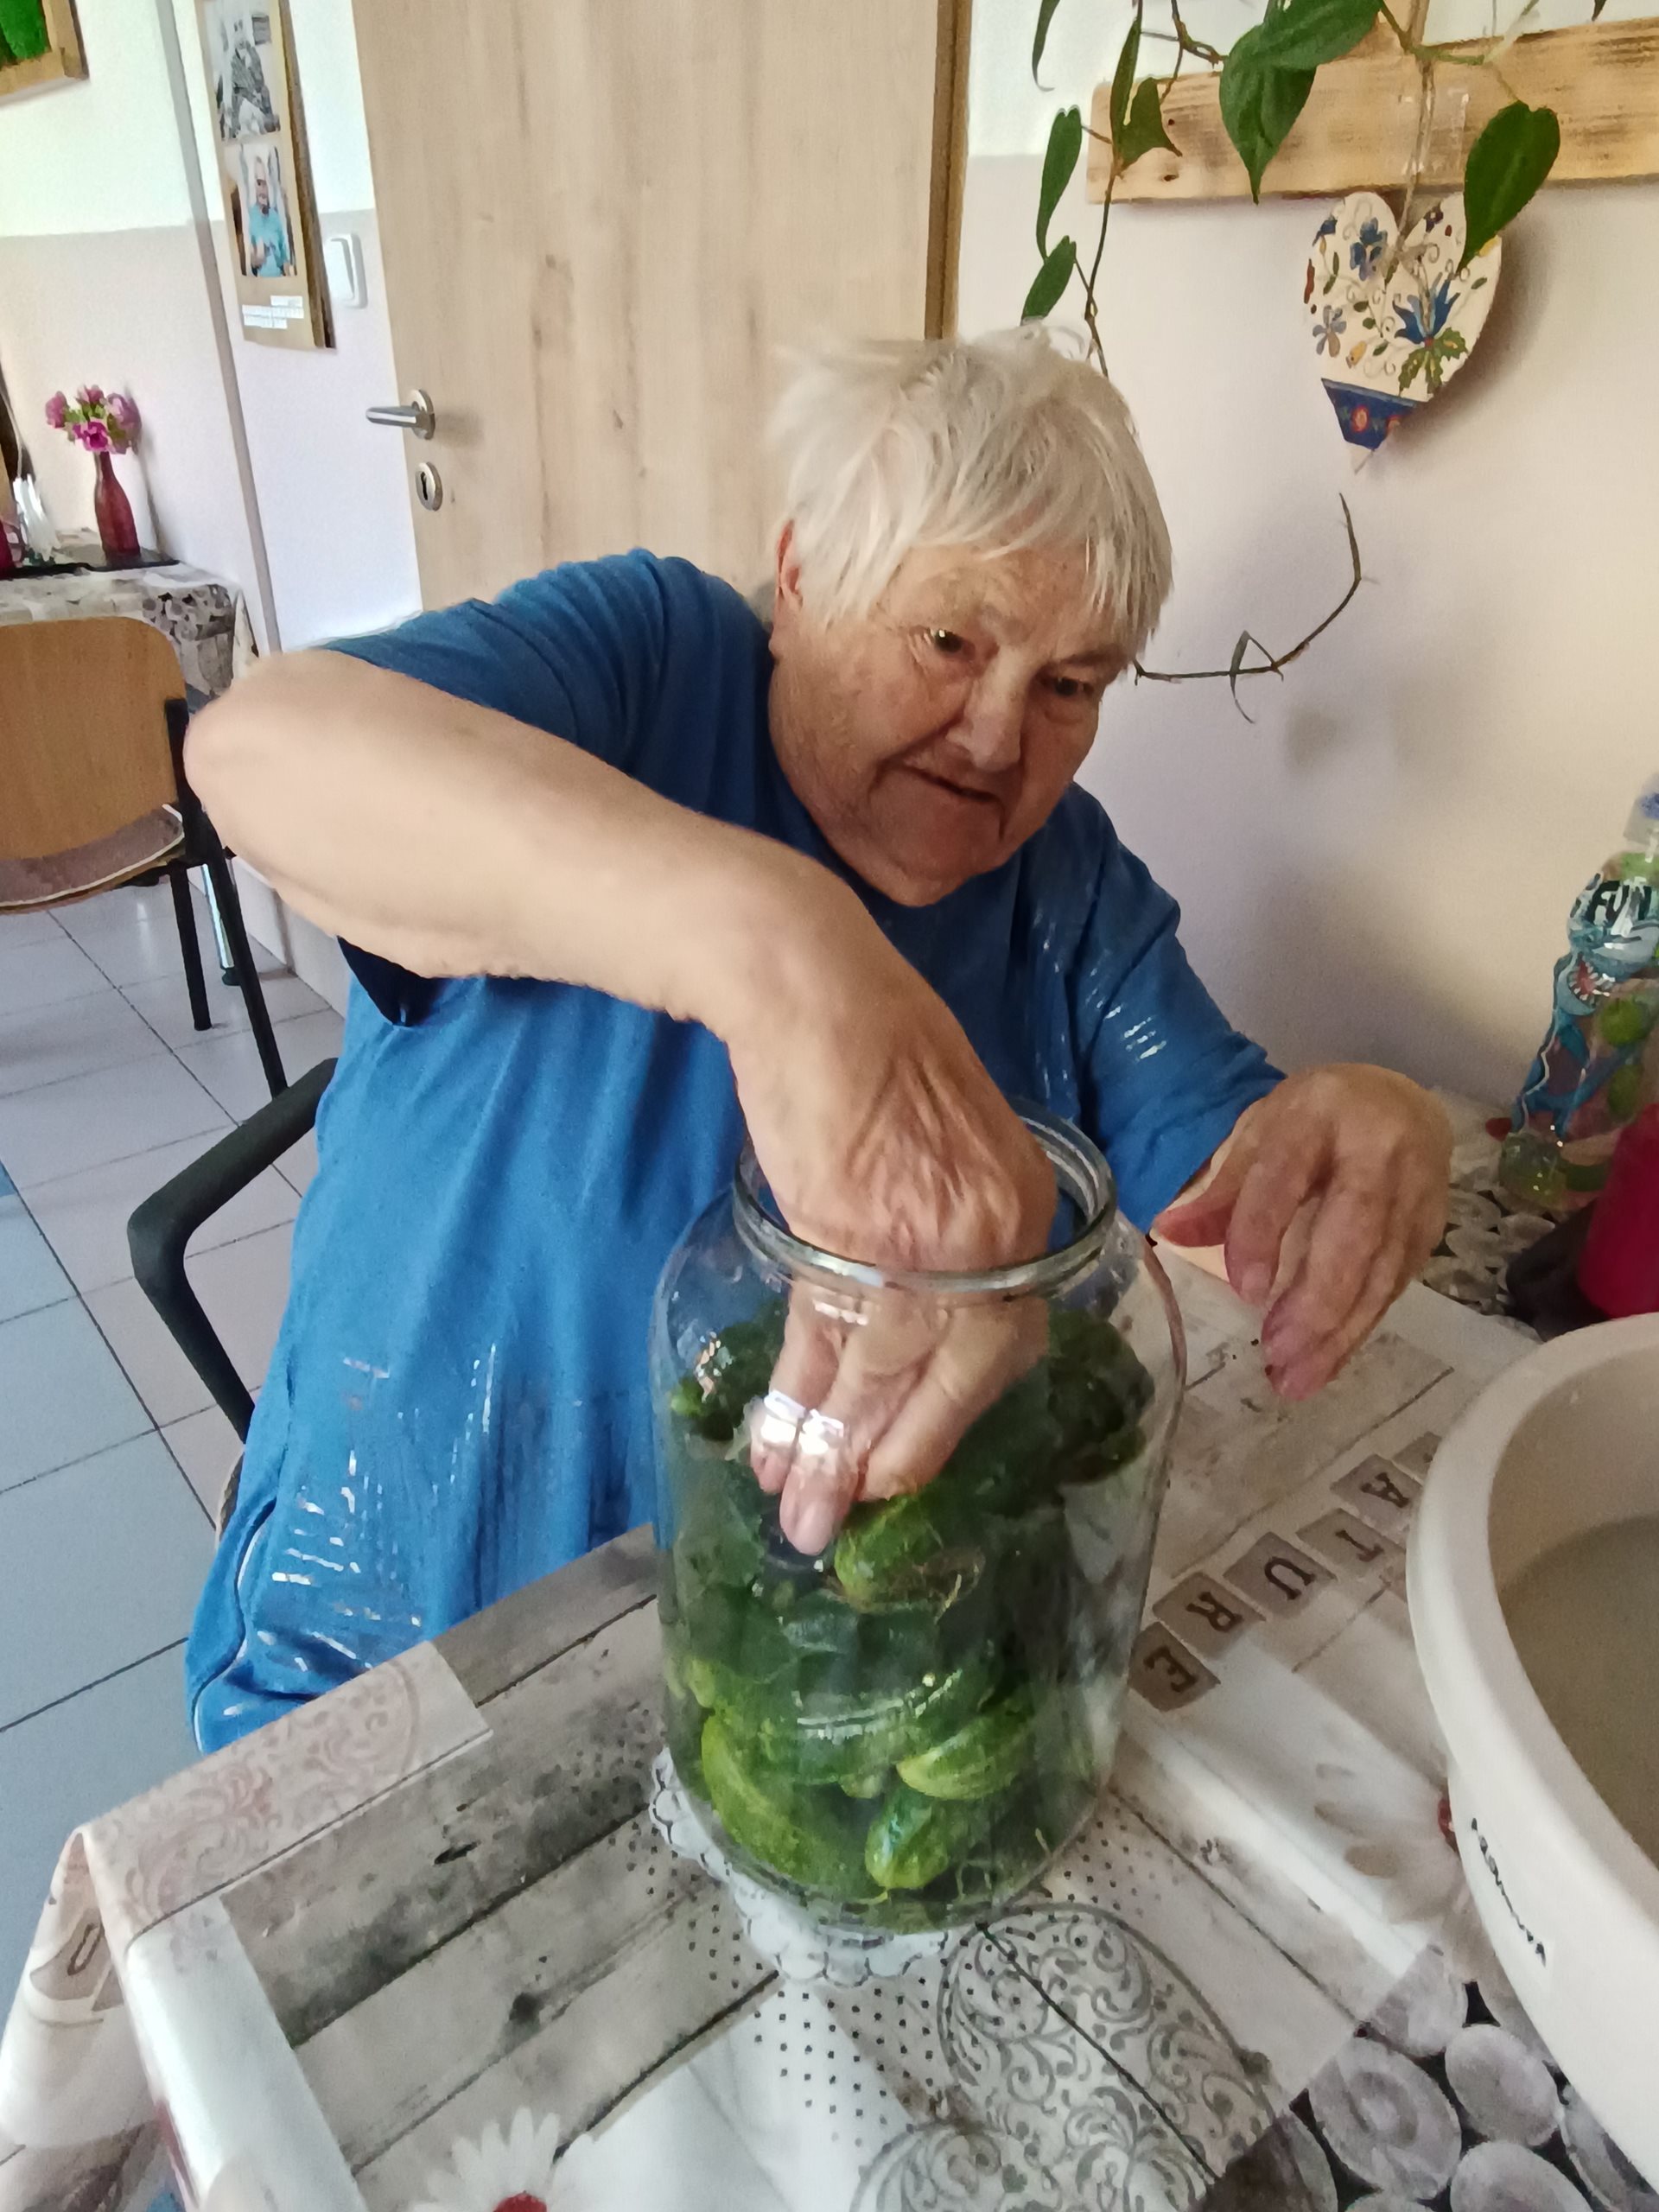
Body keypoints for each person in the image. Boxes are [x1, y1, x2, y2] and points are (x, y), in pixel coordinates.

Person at [183, 328, 1450, 1748]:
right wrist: (785, 951)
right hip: (397, 1638)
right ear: (798, 582)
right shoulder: (651, 665)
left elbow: (1226, 1213)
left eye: (1070, 685)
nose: (997, 737)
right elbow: (257, 751)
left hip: (789, 1689)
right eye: (950, 642)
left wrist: (1357, 1128)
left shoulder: (1068, 887)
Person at [245, 156, 291, 278]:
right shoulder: (249, 217)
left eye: (266, 184)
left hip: (280, 281)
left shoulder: (275, 216)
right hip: (261, 282)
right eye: (259, 183)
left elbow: (283, 255)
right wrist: (257, 259)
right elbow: (249, 264)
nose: (263, 189)